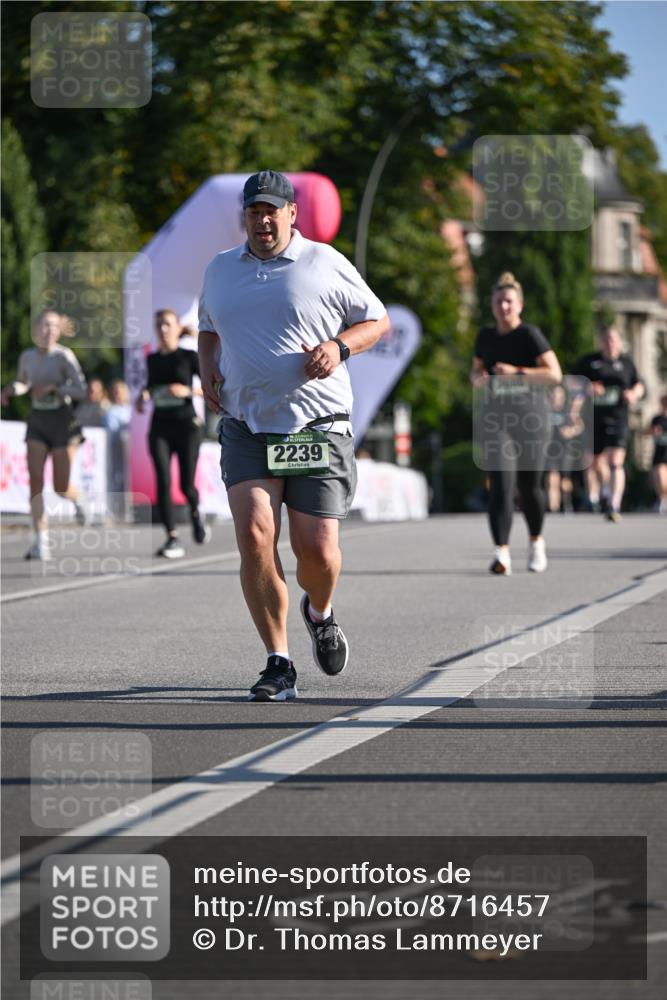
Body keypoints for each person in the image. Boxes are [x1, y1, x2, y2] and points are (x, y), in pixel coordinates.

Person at [198, 169, 389, 701]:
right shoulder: (219, 270)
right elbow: (208, 328)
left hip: (317, 428)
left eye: (270, 210)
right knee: (256, 536)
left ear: (291, 213)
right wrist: (205, 368)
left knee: (318, 551)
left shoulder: (325, 262)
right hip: (246, 426)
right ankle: (277, 662)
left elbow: (377, 321)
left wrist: (341, 347)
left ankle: (319, 612)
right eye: (253, 211)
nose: (261, 220)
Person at [471, 272, 562, 575]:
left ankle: (536, 541)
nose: (504, 307)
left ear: (519, 305)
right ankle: (502, 553)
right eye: (499, 301)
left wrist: (516, 371)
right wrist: (480, 380)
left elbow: (554, 374)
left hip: (531, 418)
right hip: (497, 418)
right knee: (501, 483)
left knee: (529, 486)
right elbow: (476, 371)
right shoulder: (485, 336)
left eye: (509, 301)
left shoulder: (529, 335)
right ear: (492, 305)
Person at [1, 309, 88, 560]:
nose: (49, 331)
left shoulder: (64, 356)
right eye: (45, 325)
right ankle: (42, 541)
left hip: (62, 422)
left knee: (60, 487)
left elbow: (81, 390)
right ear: (36, 329)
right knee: (35, 481)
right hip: (38, 420)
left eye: (54, 326)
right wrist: (11, 390)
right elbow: (23, 381)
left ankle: (77, 498)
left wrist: (56, 388)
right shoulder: (27, 357)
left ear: (59, 331)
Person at [137, 309, 211, 558]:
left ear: (178, 328)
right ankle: (172, 537)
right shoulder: (153, 359)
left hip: (187, 426)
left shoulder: (189, 357)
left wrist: (187, 392)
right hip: (160, 426)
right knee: (163, 481)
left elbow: (208, 388)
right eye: (159, 325)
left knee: (186, 484)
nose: (163, 329)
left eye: (168, 324)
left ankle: (195, 513)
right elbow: (149, 386)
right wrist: (143, 396)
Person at [572, 326, 644, 522]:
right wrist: (588, 387)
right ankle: (597, 496)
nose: (610, 343)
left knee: (615, 461)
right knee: (594, 462)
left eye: (613, 339)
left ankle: (614, 503)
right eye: (606, 339)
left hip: (618, 416)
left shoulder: (627, 363)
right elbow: (572, 382)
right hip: (593, 418)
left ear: (619, 342)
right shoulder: (590, 362)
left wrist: (633, 394)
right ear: (601, 342)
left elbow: (639, 384)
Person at [648, 393, 667, 514]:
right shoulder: (657, 419)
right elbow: (648, 431)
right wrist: (654, 431)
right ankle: (662, 499)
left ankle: (663, 500)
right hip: (659, 452)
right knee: (658, 477)